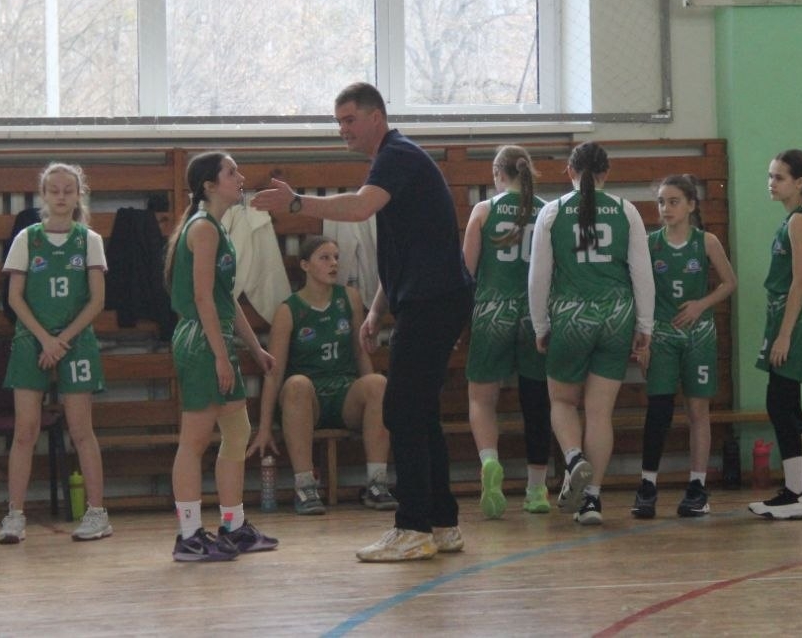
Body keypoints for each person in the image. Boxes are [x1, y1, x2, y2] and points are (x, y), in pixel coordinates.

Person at [252, 82, 473, 563]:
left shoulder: (397, 155)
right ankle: (442, 523)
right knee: (421, 413)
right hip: (429, 299)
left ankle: (413, 527)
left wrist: (297, 203)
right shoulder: (393, 163)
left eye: (350, 120)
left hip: (434, 301)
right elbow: (401, 252)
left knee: (401, 410)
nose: (343, 130)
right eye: (338, 122)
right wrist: (375, 310)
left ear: (377, 117)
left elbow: (357, 207)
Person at [528, 141, 655, 525]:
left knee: (562, 401)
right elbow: (642, 273)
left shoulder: (552, 212)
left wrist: (540, 324)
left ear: (570, 171)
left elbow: (538, 276)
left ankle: (573, 459)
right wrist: (645, 325)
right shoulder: (626, 211)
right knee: (600, 412)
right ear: (606, 173)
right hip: (617, 316)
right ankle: (592, 501)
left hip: (572, 316)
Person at [165, 151, 277, 562]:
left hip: (217, 336)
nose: (240, 177)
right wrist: (219, 356)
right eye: (232, 172)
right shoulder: (203, 229)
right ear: (209, 185)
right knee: (194, 440)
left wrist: (254, 348)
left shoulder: (217, 227)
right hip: (201, 340)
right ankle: (189, 535)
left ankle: (233, 524)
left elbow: (224, 299)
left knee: (238, 429)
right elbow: (201, 298)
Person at [0, 162, 111, 544]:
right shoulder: (27, 238)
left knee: (81, 430)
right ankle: (14, 516)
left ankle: (97, 513)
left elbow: (97, 300)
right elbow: (15, 297)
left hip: (75, 340)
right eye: (54, 190)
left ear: (79, 195)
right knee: (25, 430)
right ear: (44, 195)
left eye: (68, 190)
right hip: (32, 338)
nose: (61, 196)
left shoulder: (89, 240)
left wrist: (62, 339)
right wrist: (45, 339)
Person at [252, 235, 397, 515]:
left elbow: (361, 353)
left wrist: (378, 404)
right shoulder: (289, 310)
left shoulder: (349, 298)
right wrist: (265, 426)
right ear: (305, 265)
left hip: (344, 395)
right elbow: (274, 372)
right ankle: (305, 487)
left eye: (336, 258)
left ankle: (377, 484)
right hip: (308, 401)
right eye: (325, 257)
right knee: (296, 384)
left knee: (378, 383)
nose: (333, 264)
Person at [633, 174, 737, 520]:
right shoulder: (649, 244)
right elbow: (638, 291)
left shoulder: (706, 242)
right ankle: (647, 486)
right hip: (662, 336)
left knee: (698, 411)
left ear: (691, 205)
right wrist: (642, 337)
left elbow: (729, 282)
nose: (666, 208)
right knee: (658, 411)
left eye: (674, 201)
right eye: (661, 202)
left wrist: (700, 304)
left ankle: (697, 486)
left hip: (699, 335)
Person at [461, 145, 552, 519]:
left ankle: (489, 462)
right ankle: (537, 489)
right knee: (538, 403)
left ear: (497, 174)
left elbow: (466, 273)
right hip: (535, 314)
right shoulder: (548, 211)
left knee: (482, 399)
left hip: (492, 311)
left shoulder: (483, 211)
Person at [747, 151, 802, 520]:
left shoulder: (800, 220)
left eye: (779, 177)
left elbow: (800, 281)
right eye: (770, 176)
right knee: (791, 406)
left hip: (795, 319)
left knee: (779, 404)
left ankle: (794, 495)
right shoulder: (797, 217)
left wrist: (784, 336)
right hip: (790, 318)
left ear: (800, 182)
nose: (771, 183)